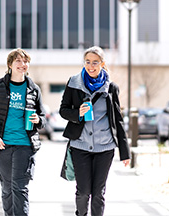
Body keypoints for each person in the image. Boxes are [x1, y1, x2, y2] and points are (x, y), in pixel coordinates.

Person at [59, 46, 131, 216]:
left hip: (104, 148)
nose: (91, 66)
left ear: (102, 64)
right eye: (88, 62)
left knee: (98, 193)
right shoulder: (74, 83)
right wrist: (78, 113)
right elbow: (63, 110)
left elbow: (117, 120)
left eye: (95, 62)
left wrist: (125, 152)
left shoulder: (111, 88)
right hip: (80, 146)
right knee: (83, 192)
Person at [0, 48, 46, 216]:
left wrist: (38, 120)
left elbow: (42, 117)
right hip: (1, 145)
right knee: (7, 187)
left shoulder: (33, 89)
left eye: (25, 61)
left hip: (25, 145)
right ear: (10, 65)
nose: (22, 64)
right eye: (18, 61)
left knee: (20, 187)